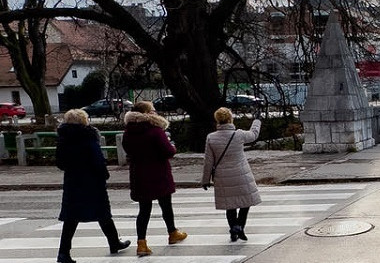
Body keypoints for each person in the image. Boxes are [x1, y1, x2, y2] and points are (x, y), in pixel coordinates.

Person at [55, 109, 130, 263]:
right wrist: (104, 174)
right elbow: (97, 159)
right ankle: (114, 242)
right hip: (92, 180)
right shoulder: (88, 136)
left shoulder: (63, 139)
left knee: (71, 218)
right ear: (84, 121)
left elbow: (60, 162)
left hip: (72, 181)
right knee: (102, 212)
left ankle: (63, 253)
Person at [123, 101, 187, 256]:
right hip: (158, 173)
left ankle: (141, 243)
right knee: (166, 206)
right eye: (153, 110)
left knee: (144, 210)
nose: (155, 112)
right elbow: (168, 151)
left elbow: (127, 149)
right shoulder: (155, 130)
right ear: (147, 113)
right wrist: (172, 147)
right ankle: (172, 233)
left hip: (139, 174)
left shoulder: (128, 132)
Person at [202, 107, 262, 242]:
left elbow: (208, 161)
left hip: (222, 177)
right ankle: (240, 226)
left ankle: (234, 230)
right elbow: (254, 134)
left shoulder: (211, 137)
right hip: (241, 174)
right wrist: (257, 120)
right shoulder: (239, 135)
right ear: (230, 119)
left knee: (230, 206)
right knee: (245, 203)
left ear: (217, 120)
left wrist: (205, 180)